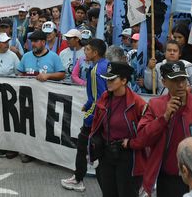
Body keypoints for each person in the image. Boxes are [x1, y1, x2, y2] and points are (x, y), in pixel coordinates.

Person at [124, 61, 192, 197]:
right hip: (167, 179)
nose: (181, 85)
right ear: (164, 82)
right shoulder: (155, 105)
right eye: (175, 80)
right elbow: (142, 139)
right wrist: (164, 118)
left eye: (183, 79)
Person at [87, 62, 146, 197]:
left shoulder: (137, 103)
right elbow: (97, 123)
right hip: (106, 154)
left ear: (124, 80)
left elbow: (146, 133)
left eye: (112, 79)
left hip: (127, 156)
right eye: (107, 78)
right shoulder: (105, 98)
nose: (108, 82)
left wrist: (131, 143)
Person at [61, 38, 108, 192]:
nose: (85, 51)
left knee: (82, 146)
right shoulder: (105, 65)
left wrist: (89, 114)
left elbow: (100, 98)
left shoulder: (95, 71)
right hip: (104, 116)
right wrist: (87, 104)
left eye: (87, 49)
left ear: (95, 53)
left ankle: (78, 179)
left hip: (96, 118)